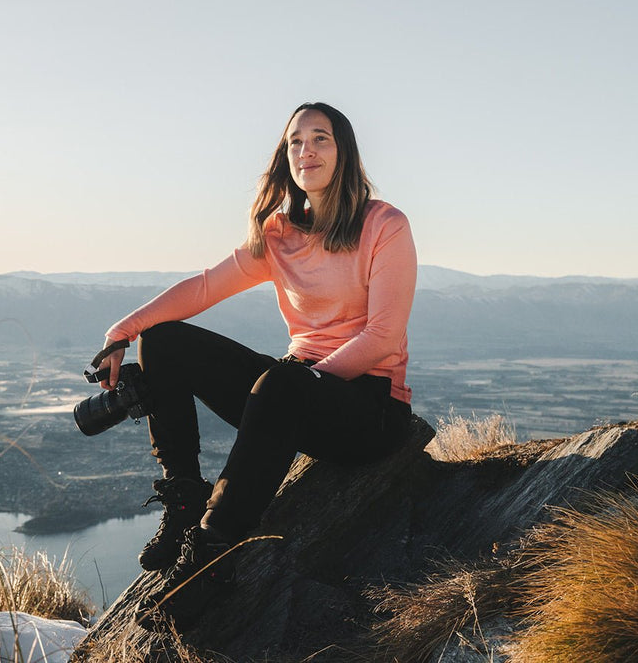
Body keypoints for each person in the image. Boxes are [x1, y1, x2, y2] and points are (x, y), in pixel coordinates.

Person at [95, 102, 417, 629]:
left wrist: (302, 382)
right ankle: (183, 501)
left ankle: (210, 563)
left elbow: (382, 337)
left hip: (369, 409)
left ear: (345, 152)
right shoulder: (279, 232)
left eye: (321, 139)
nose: (305, 150)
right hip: (293, 395)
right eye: (295, 141)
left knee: (284, 380)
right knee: (165, 342)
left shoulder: (384, 225)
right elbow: (203, 287)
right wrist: (121, 332)